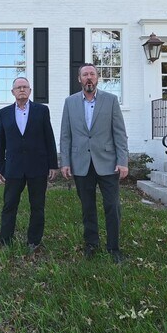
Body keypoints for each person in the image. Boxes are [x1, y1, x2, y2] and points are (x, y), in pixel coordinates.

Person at [60, 63, 129, 263]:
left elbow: (120, 133)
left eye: (92, 74)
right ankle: (91, 244)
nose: (89, 78)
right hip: (81, 163)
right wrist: (65, 162)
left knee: (112, 206)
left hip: (107, 163)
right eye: (85, 75)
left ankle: (113, 248)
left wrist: (122, 161)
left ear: (98, 78)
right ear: (79, 79)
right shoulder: (70, 102)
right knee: (87, 207)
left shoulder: (111, 101)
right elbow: (66, 135)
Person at [0, 77, 59, 251]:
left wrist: (53, 164)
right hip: (13, 168)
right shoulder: (4, 113)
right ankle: (5, 241)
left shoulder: (42, 111)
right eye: (18, 87)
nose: (21, 90)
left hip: (37, 167)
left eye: (25, 87)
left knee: (37, 206)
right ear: (13, 92)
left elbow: (49, 138)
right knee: (9, 205)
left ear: (30, 91)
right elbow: (0, 142)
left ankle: (34, 241)